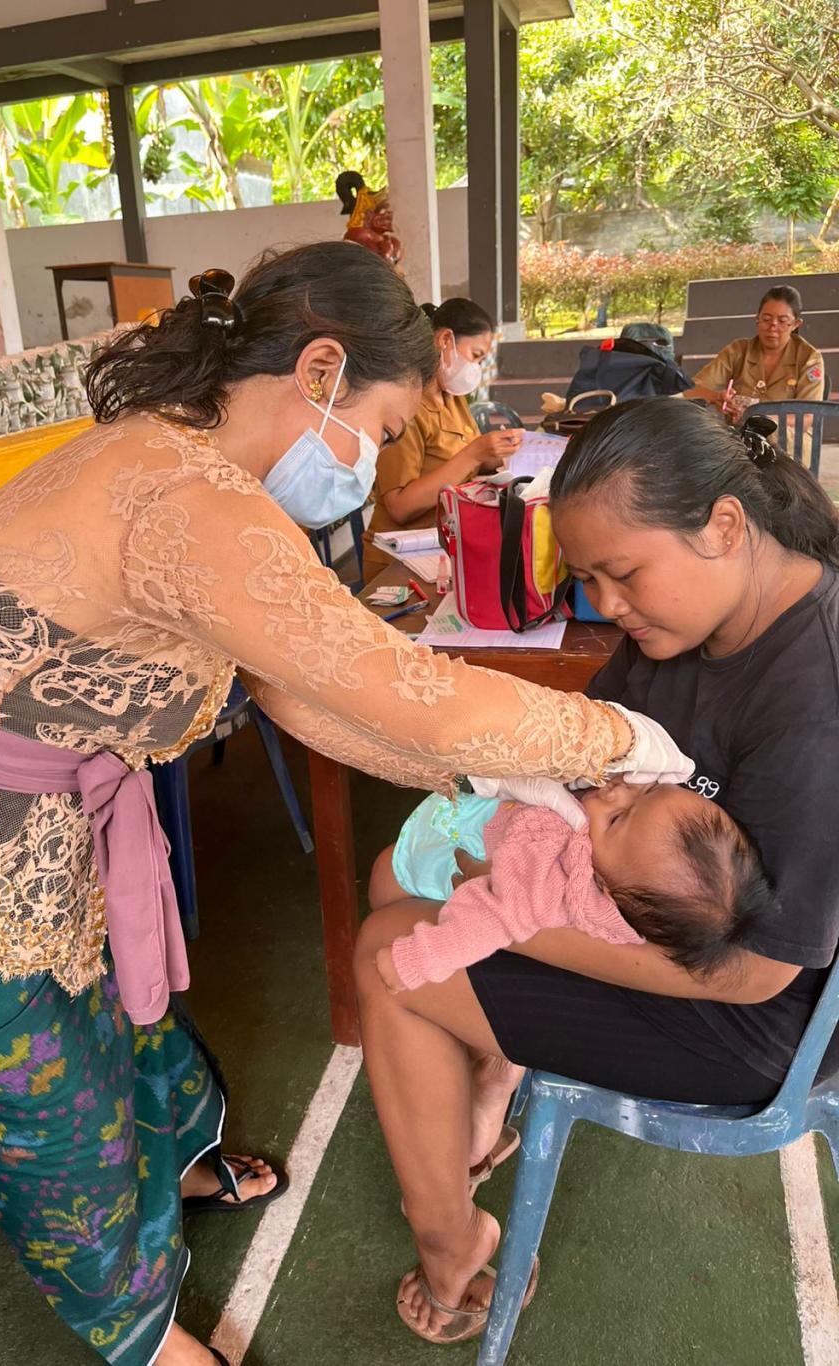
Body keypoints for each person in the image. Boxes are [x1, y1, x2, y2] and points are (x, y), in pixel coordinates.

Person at [0, 244, 688, 1366]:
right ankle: (143, 1337)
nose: (367, 464)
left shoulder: (178, 460)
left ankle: (178, 1162)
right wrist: (615, 740)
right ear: (319, 371)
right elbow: (405, 692)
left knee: (129, 1026)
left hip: (24, 839)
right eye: (377, 428)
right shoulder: (192, 504)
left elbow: (302, 697)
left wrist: (483, 774)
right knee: (54, 1126)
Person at [354, 395, 839, 1346]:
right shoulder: (689, 622)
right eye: (586, 579)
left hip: (749, 1016)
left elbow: (757, 972)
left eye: (622, 575)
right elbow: (591, 748)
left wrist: (508, 911)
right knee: (394, 876)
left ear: (724, 527)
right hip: (637, 915)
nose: (607, 606)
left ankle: (451, 1240)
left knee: (390, 954)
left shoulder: (813, 695)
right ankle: (491, 1064)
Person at [371, 777, 776, 990]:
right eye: (649, 791)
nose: (617, 791)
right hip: (479, 806)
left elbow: (489, 923)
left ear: (607, 890)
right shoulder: (618, 851)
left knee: (385, 878)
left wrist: (415, 961)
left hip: (446, 852)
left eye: (617, 818)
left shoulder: (549, 884)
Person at [362, 297, 524, 578]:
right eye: (475, 356)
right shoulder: (407, 405)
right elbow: (400, 507)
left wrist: (494, 453)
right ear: (446, 340)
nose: (476, 368)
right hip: (399, 559)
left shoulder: (453, 399)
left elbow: (468, 458)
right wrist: (474, 453)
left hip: (444, 545)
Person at [685, 285, 826, 416]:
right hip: (739, 433)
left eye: (782, 321)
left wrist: (763, 421)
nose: (772, 327)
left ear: (795, 324)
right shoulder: (738, 351)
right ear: (757, 319)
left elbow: (808, 416)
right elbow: (690, 389)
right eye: (766, 319)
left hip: (786, 433)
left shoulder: (808, 358)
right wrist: (716, 397)